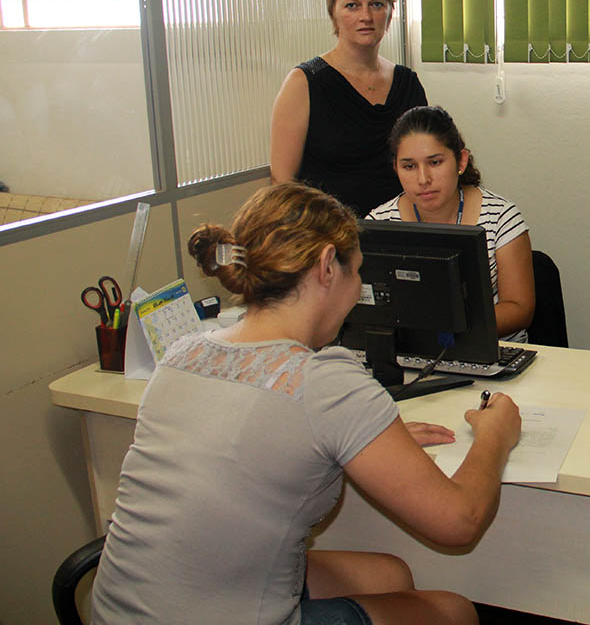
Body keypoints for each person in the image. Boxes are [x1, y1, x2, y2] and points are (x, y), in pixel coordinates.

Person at [91, 183, 522, 625]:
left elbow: (262, 437)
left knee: (391, 573)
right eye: (357, 271)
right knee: (453, 611)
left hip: (119, 611)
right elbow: (460, 521)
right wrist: (495, 436)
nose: (359, 289)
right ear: (326, 269)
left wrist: (364, 437)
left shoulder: (183, 354)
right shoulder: (325, 383)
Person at [270, 0, 427, 217]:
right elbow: (282, 183)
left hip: (401, 229)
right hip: (328, 236)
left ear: (389, 12)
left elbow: (426, 162)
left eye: (376, 4)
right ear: (334, 13)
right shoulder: (304, 83)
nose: (365, 16)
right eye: (352, 6)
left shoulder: (408, 83)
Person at [366, 106, 535, 342]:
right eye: (409, 166)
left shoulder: (501, 217)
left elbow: (519, 310)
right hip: (409, 355)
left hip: (494, 355)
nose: (423, 179)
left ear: (461, 161)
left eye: (435, 162)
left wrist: (441, 331)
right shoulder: (377, 224)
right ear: (395, 168)